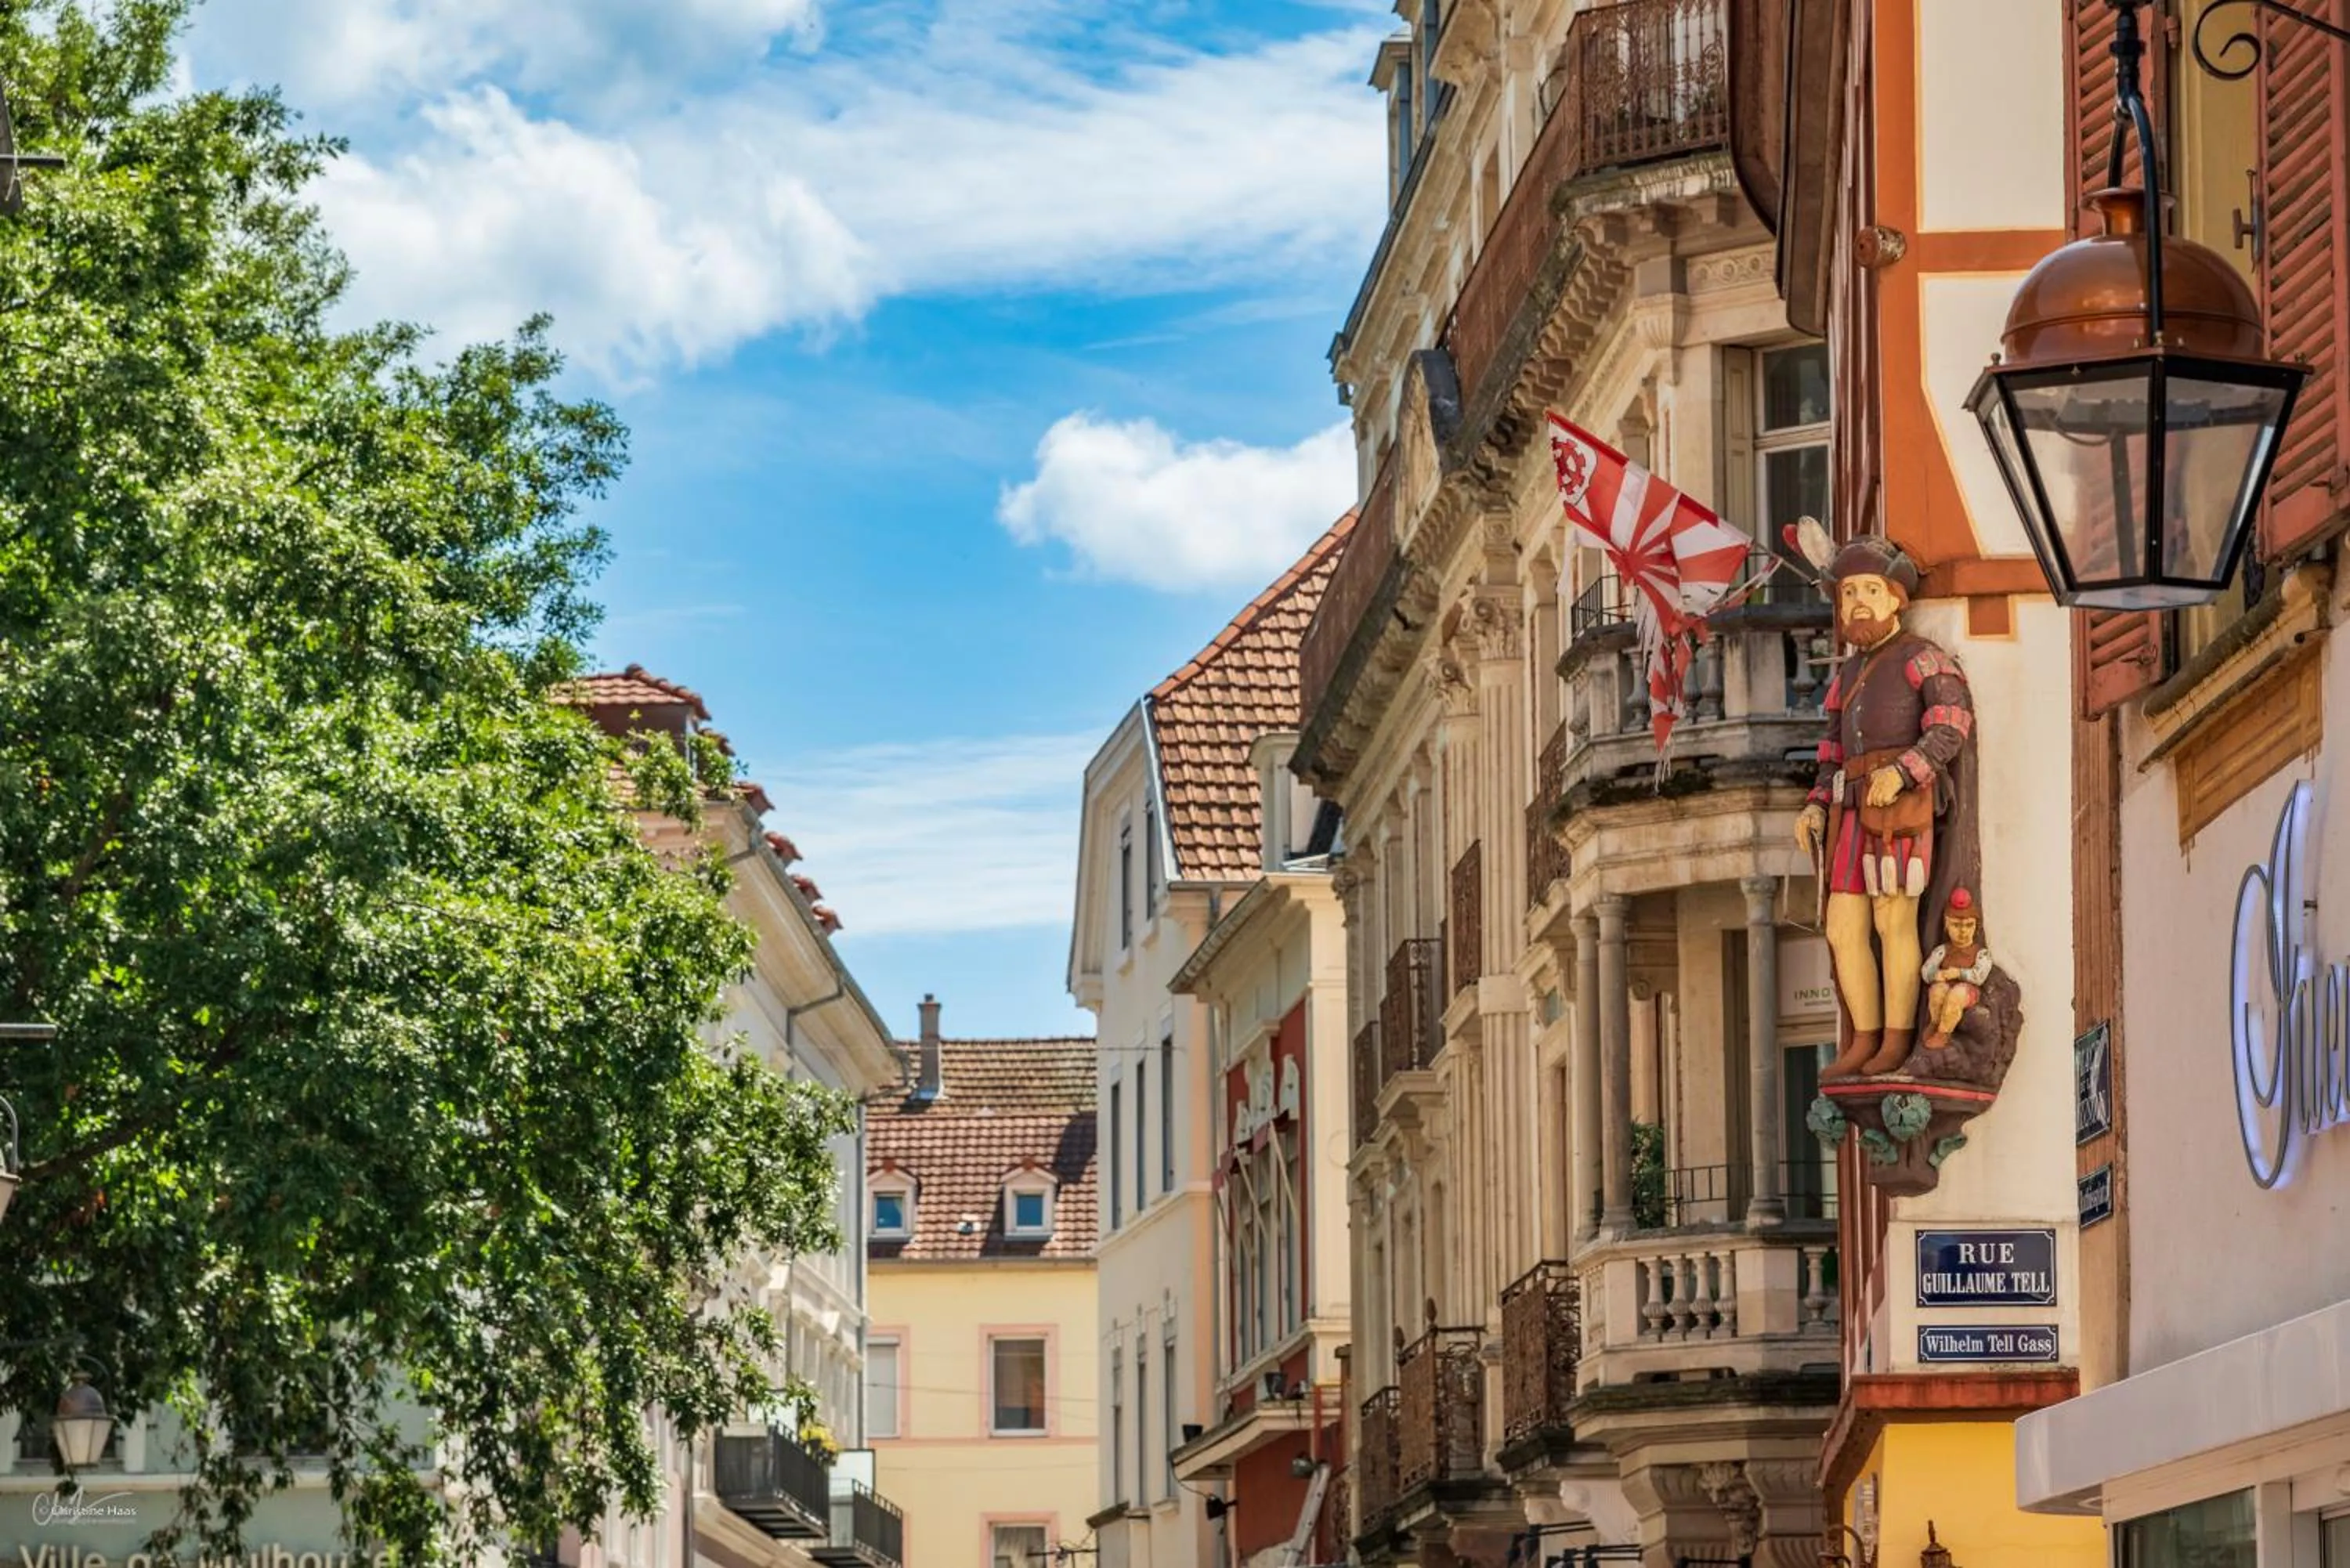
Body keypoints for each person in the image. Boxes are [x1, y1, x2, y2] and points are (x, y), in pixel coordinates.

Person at [1792, 537, 1975, 1079]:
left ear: (1896, 599)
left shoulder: (1922, 657)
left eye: (1871, 590)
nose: (1858, 604)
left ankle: (1896, 1038)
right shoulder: (1845, 678)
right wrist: (1816, 805)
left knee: (1893, 921)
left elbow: (1951, 723)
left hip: (1902, 809)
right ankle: (1864, 1038)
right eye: (1849, 594)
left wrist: (1902, 773)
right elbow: (1830, 751)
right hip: (1852, 809)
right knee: (1843, 927)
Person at [1921, 887, 1993, 1052]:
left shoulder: (1981, 954)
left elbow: (1979, 976)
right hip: (1946, 985)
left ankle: (1944, 1032)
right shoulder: (1942, 951)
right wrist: (1935, 975)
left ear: (1976, 927)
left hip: (1967, 991)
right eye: (1956, 925)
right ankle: (1935, 1023)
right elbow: (1926, 971)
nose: (1963, 932)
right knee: (1938, 991)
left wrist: (1959, 973)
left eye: (1969, 926)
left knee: (1957, 994)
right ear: (1947, 925)